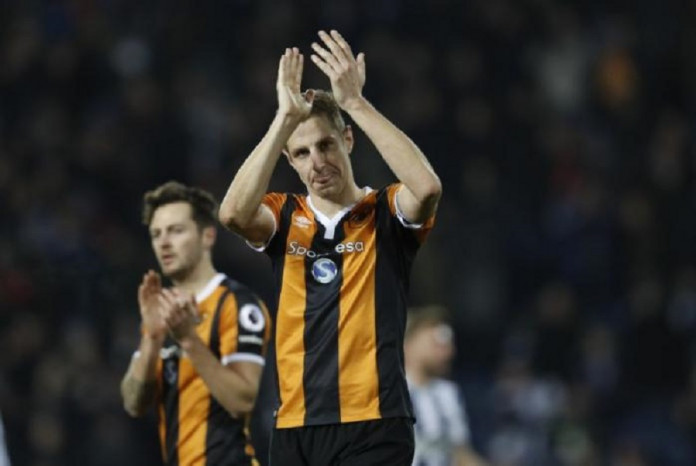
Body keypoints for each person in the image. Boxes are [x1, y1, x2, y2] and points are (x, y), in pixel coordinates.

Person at [218, 30, 442, 465]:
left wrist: (355, 103)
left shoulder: (386, 211)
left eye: (325, 144)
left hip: (375, 423)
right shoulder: (284, 217)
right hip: (295, 427)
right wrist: (283, 122)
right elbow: (232, 215)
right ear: (290, 161)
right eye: (301, 153)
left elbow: (427, 187)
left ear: (348, 140)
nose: (317, 162)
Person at [120, 181, 271, 466]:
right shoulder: (163, 312)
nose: (164, 242)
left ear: (207, 237)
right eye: (156, 234)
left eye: (176, 231)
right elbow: (133, 403)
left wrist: (189, 339)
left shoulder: (238, 305)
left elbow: (241, 402)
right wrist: (151, 337)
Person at [405, 307, 489, 466]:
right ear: (409, 343)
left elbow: (459, 451)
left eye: (448, 344)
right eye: (436, 343)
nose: (449, 351)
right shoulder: (390, 393)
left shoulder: (448, 393)